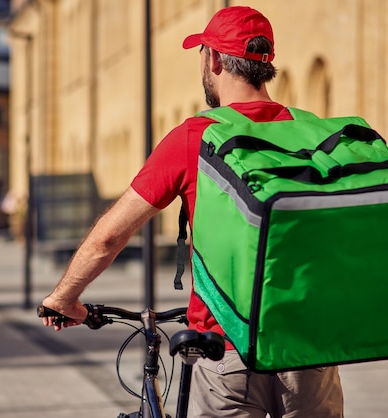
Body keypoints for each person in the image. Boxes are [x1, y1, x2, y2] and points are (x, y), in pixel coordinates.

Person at [42, 6, 344, 417]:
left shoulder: (195, 138)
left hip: (228, 352)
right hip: (309, 348)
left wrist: (64, 297)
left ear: (215, 59)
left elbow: (108, 237)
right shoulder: (311, 132)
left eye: (202, 52)